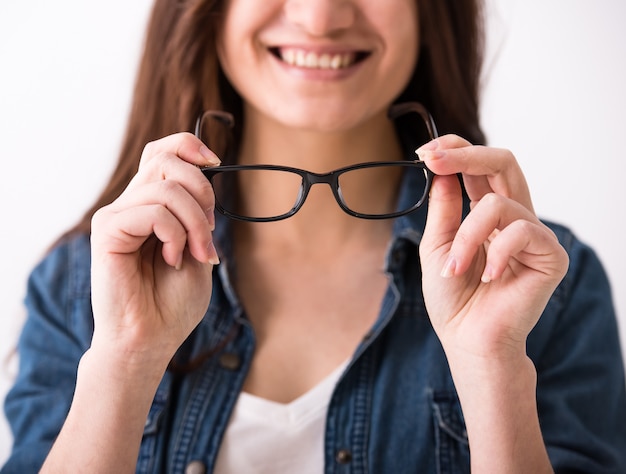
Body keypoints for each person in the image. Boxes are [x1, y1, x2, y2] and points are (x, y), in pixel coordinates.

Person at [3, 0, 626, 472]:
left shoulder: (541, 283)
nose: (321, 17)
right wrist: (126, 359)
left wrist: (493, 367)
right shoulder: (84, 282)